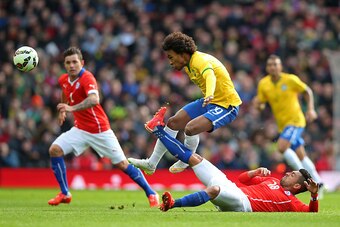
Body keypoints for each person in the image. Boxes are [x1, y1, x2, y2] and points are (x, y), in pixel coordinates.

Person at [145, 107, 319, 212]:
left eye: (293, 175)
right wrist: (255, 172)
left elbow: (311, 212)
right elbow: (242, 180)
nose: (289, 173)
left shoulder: (292, 202)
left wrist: (313, 195)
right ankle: (158, 130)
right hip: (235, 188)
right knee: (196, 159)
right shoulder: (272, 180)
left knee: (213, 189)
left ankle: (172, 205)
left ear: (297, 186)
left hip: (243, 204)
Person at [47, 47, 159, 207]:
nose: (72, 65)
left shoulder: (87, 78)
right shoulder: (63, 79)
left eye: (75, 62)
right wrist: (63, 109)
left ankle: (151, 192)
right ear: (64, 64)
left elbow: (94, 99)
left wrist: (71, 108)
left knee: (123, 165)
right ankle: (65, 193)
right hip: (80, 130)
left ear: (82, 63)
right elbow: (65, 91)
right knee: (55, 150)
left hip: (100, 130)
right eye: (68, 62)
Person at [128, 31, 242, 174]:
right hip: (210, 101)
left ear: (182, 53)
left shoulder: (198, 60)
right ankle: (151, 163)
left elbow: (210, 75)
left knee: (190, 128)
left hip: (226, 105)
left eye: (171, 57)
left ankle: (185, 160)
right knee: (173, 122)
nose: (170, 62)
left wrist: (210, 93)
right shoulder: (188, 65)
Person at [252, 54, 324, 190]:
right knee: (301, 155)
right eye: (270, 65)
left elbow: (307, 91)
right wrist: (258, 105)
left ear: (280, 67)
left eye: (275, 64)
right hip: (283, 125)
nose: (273, 67)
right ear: (267, 68)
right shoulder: (264, 84)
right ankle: (318, 181)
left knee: (281, 147)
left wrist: (310, 109)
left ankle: (305, 177)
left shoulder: (290, 80)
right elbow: (261, 103)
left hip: (296, 120)